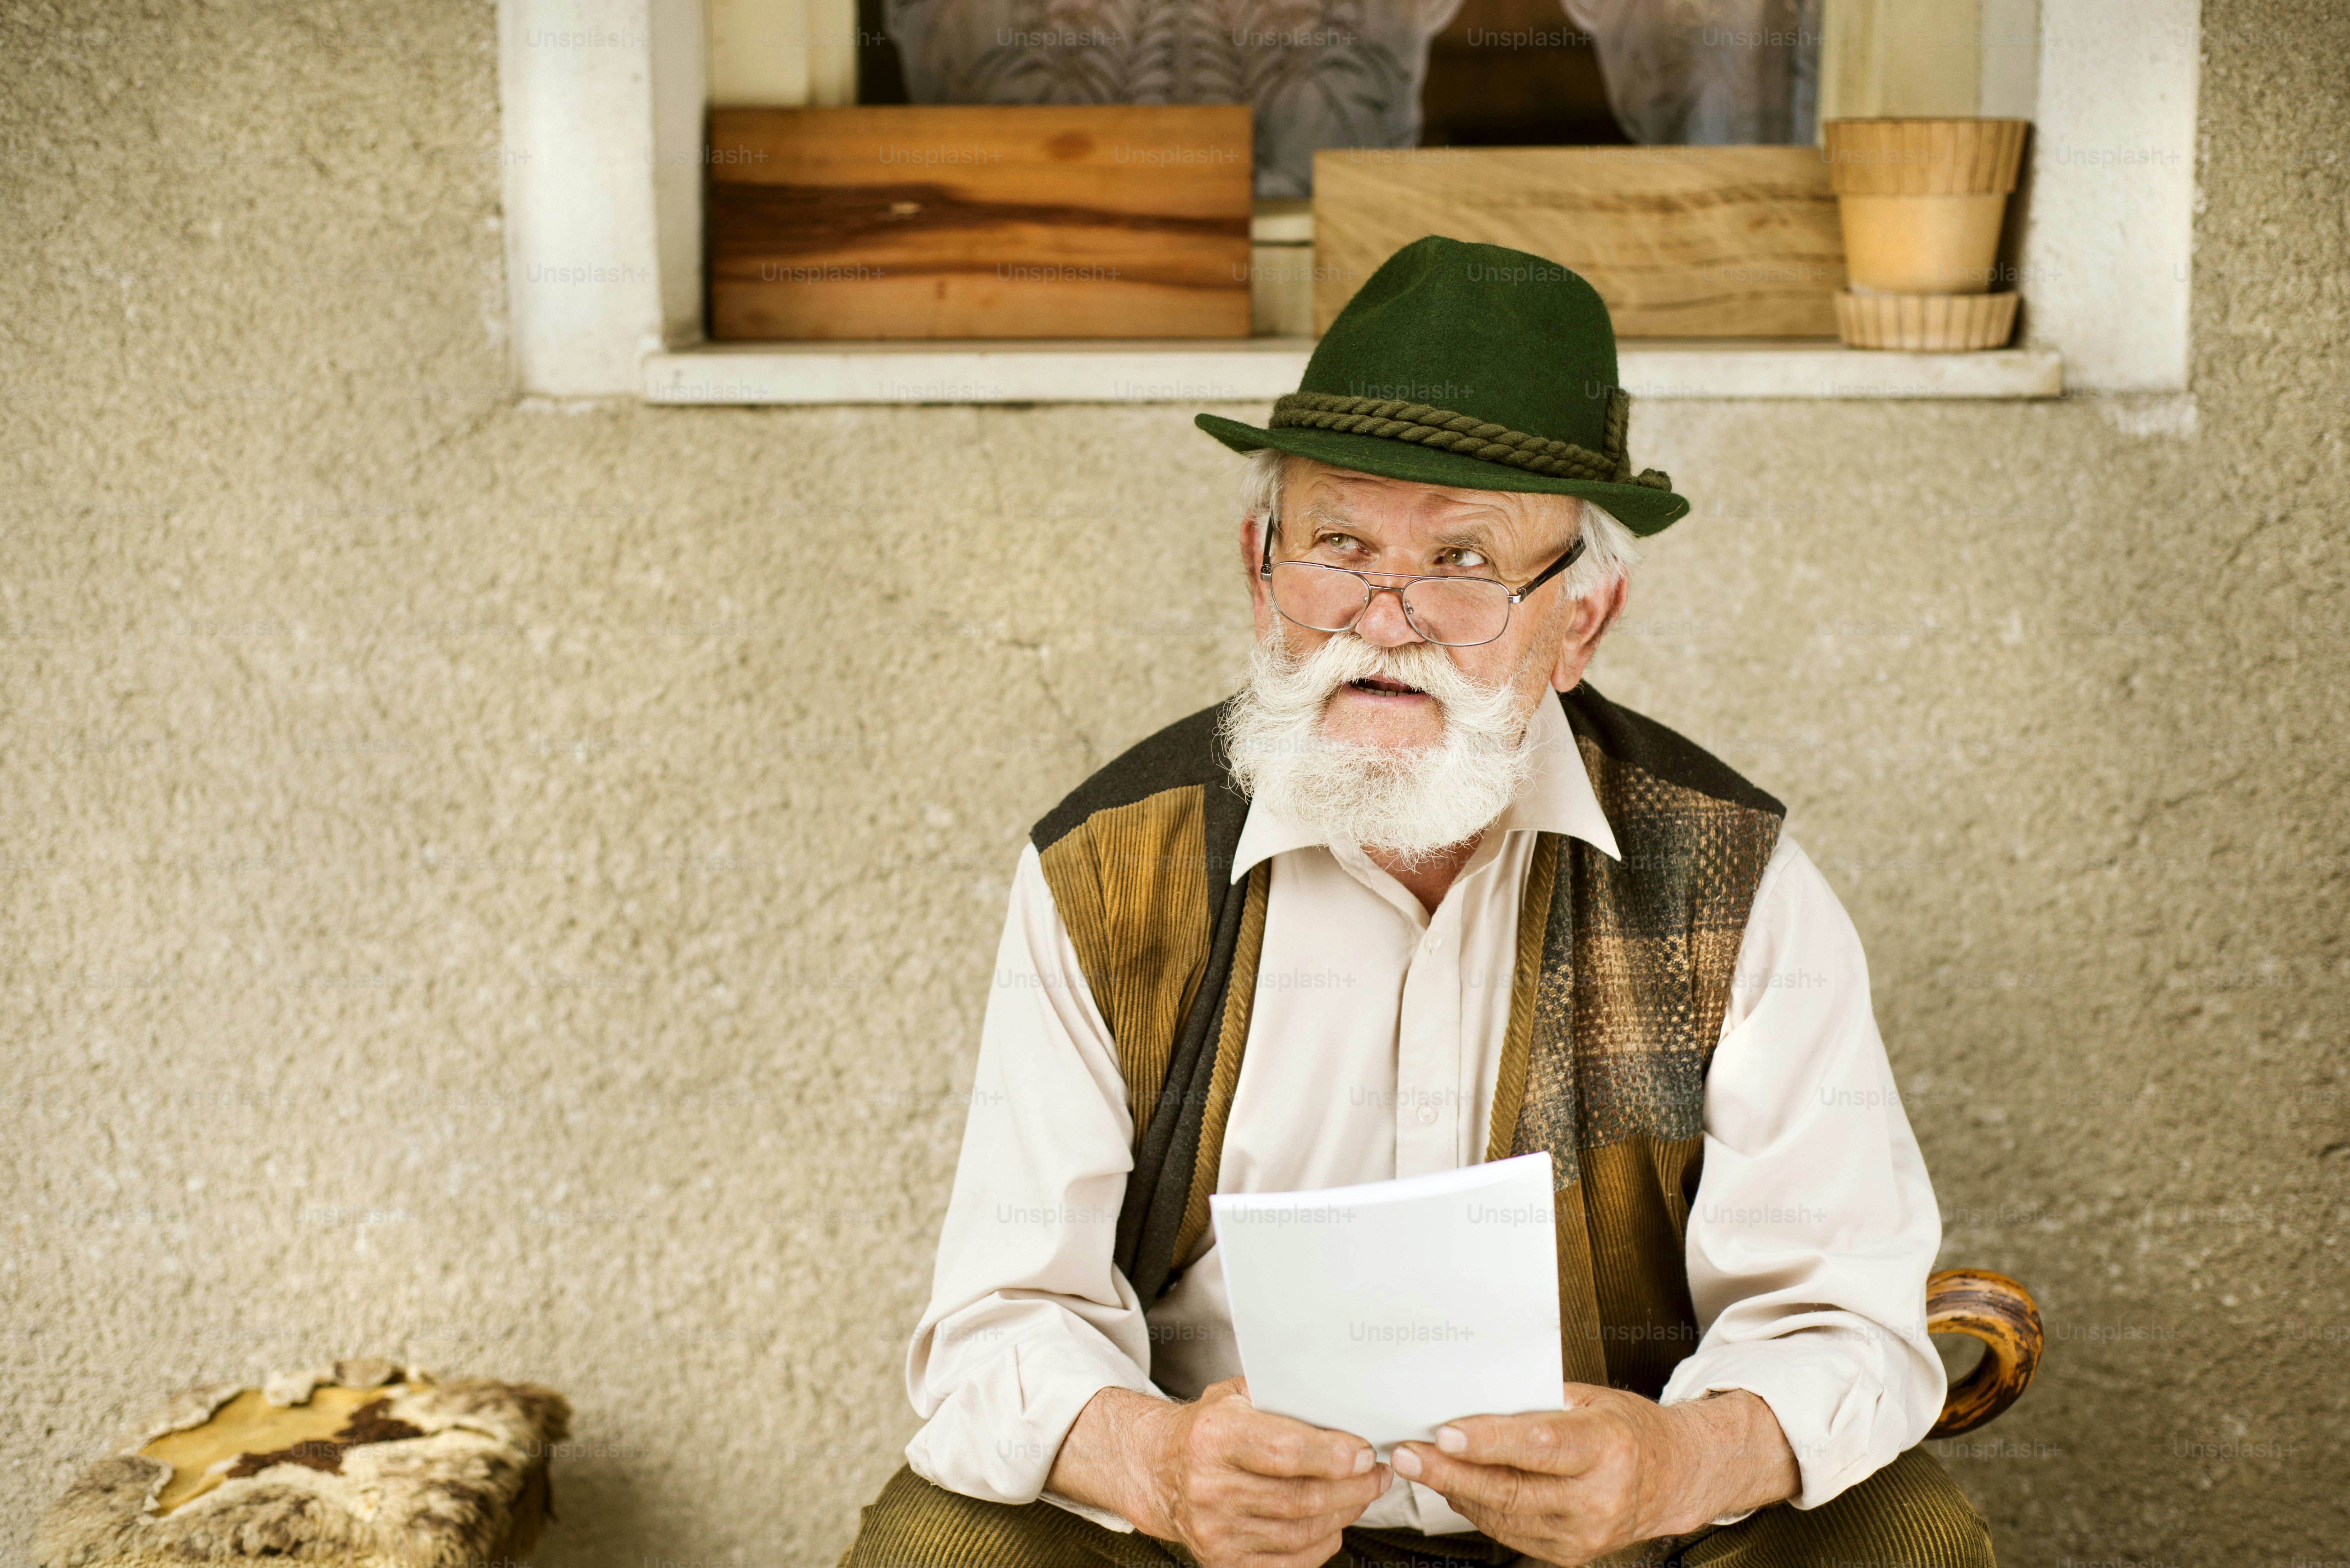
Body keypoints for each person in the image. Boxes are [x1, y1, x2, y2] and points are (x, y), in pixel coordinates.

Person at [840, 237, 1995, 1568]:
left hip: (1617, 1546)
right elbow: (997, 1321)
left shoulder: (1731, 886)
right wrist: (1158, 1465)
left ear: (1581, 623)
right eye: (1337, 544)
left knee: (1905, 1538)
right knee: (945, 1546)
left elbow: (1848, 1324)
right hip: (1215, 1548)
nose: (1382, 620)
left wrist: (1668, 1464)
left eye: (1460, 560)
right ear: (1257, 569)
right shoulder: (1106, 872)